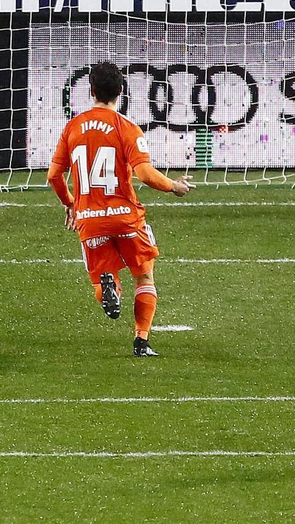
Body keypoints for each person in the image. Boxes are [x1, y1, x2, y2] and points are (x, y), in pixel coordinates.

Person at [48, 61, 193, 357]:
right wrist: (173, 186)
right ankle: (142, 340)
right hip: (126, 218)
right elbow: (146, 175)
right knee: (144, 276)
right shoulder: (126, 128)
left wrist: (71, 204)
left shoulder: (73, 128)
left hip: (89, 219)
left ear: (90, 91)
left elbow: (53, 176)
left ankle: (109, 288)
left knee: (106, 275)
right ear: (121, 92)